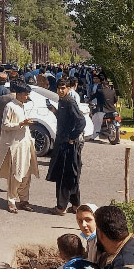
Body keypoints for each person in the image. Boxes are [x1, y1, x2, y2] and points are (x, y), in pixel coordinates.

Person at [0, 82, 39, 214]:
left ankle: (24, 200)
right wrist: (21, 124)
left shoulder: (22, 106)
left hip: (26, 144)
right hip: (16, 146)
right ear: (19, 94)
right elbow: (5, 125)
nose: (27, 97)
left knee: (26, 174)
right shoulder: (10, 106)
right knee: (16, 174)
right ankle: (12, 201)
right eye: (26, 95)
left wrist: (25, 123)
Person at [47, 78, 87, 215]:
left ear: (69, 89)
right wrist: (55, 111)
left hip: (68, 144)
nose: (60, 90)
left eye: (63, 88)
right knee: (71, 175)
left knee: (63, 176)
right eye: (58, 88)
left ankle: (61, 207)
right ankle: (76, 206)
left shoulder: (69, 101)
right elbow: (66, 120)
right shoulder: (62, 101)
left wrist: (72, 137)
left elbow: (81, 122)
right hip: (62, 142)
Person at [0, 81, 18, 192]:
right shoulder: (19, 100)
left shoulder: (2, 99)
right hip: (14, 132)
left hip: (2, 131)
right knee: (13, 158)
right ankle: (12, 183)